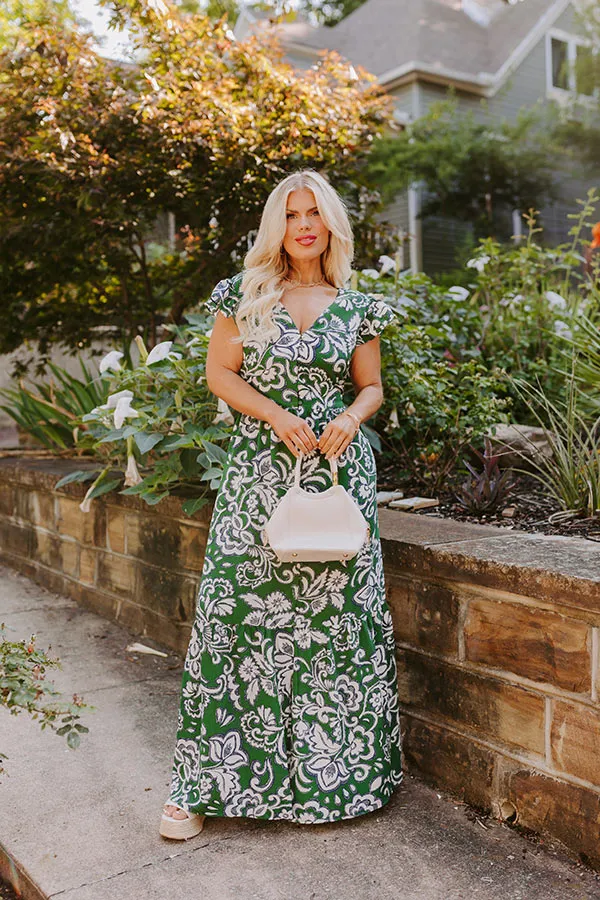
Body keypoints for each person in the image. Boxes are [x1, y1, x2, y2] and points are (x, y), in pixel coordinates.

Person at [159, 168, 403, 838]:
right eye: (292, 214)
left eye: (314, 214)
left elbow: (372, 386)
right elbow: (218, 373)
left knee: (334, 629)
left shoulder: (357, 306)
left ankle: (338, 777)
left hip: (334, 477)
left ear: (329, 225)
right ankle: (198, 786)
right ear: (278, 224)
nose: (303, 225)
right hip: (259, 482)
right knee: (234, 621)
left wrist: (352, 419)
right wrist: (272, 415)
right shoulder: (243, 294)